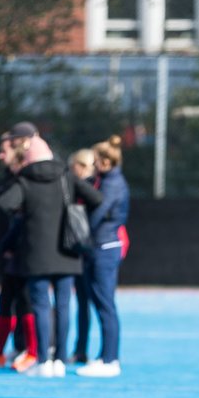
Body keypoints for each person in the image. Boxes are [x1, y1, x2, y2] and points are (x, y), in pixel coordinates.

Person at [0, 122, 103, 378]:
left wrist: (24, 216)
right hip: (68, 250)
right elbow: (97, 199)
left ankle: (44, 360)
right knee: (64, 305)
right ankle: (60, 361)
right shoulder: (67, 175)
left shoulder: (25, 180)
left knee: (41, 305)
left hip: (36, 252)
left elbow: (3, 204)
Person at [75, 135, 130, 378]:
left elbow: (98, 213)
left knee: (105, 303)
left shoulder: (112, 184)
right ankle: (105, 356)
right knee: (100, 302)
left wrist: (80, 233)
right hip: (100, 246)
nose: (94, 165)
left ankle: (110, 359)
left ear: (106, 161)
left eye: (96, 160)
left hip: (105, 247)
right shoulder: (105, 180)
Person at [0, 136, 37, 372]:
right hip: (8, 253)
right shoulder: (5, 182)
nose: (0, 156)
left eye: (4, 151)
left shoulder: (27, 184)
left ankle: (33, 352)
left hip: (25, 252)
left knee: (26, 302)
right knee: (5, 300)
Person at [68, 148, 98, 366]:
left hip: (86, 251)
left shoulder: (89, 187)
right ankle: (80, 349)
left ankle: (81, 349)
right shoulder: (88, 186)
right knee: (83, 303)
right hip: (83, 251)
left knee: (86, 303)